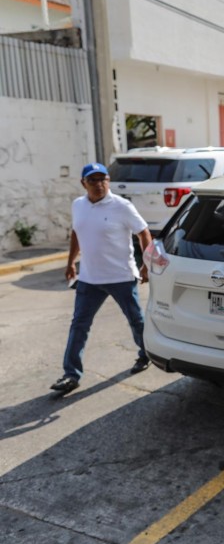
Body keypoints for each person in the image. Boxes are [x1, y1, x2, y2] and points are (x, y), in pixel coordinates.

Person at [50, 162, 153, 394]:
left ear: (108, 180)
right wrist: (70, 263)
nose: (99, 184)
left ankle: (146, 353)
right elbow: (77, 232)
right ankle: (71, 375)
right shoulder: (78, 205)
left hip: (121, 277)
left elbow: (143, 232)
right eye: (93, 180)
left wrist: (146, 263)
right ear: (83, 183)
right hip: (89, 278)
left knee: (136, 321)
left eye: (103, 179)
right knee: (79, 325)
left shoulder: (122, 206)